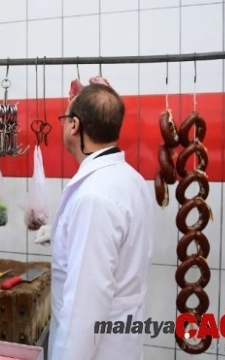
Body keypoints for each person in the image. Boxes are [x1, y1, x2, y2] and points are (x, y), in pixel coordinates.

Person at [48, 83, 154, 359]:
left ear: (75, 126)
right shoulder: (130, 178)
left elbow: (85, 303)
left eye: (65, 119)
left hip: (96, 348)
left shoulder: (93, 196)